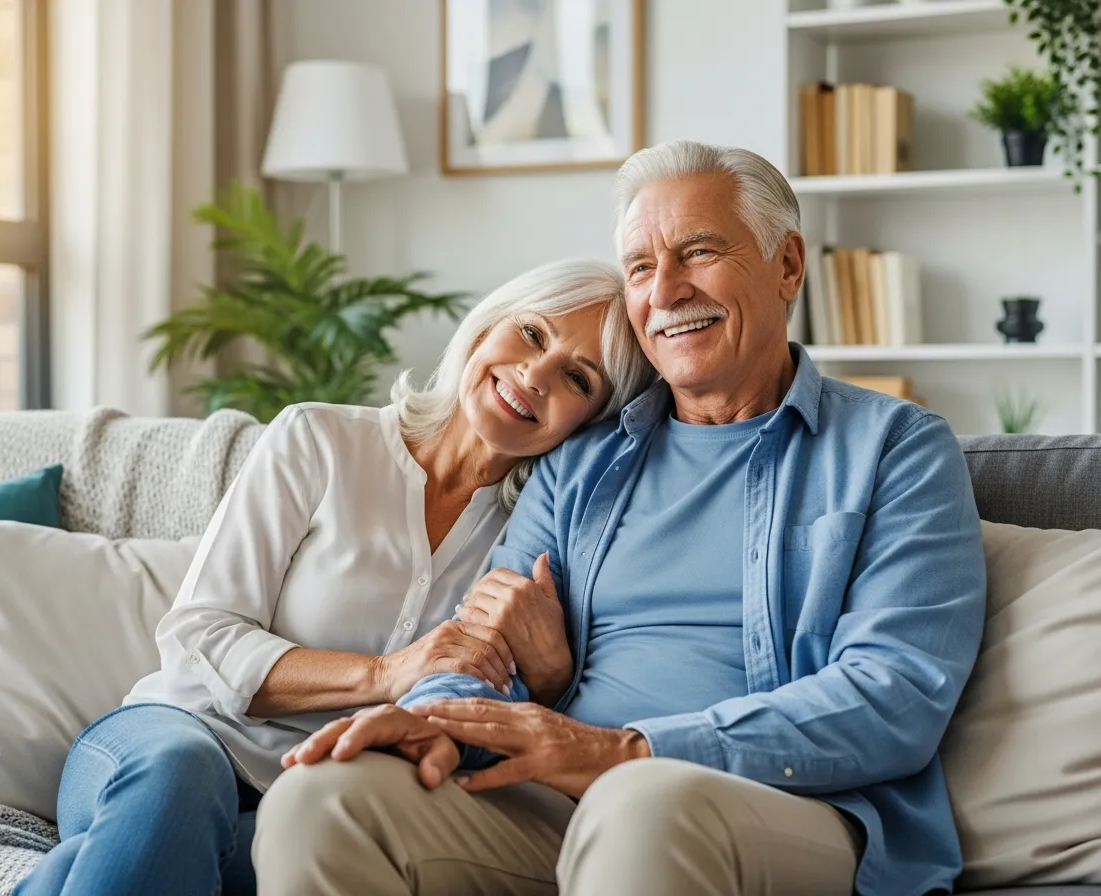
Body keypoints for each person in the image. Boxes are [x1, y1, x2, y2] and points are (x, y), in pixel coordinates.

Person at [258, 140, 988, 896]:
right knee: (322, 800)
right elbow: (482, 651)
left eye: (697, 252)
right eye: (641, 267)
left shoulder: (895, 450)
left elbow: (894, 694)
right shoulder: (580, 463)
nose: (665, 292)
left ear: (788, 267)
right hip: (559, 792)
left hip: (787, 805)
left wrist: (628, 750)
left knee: (641, 805)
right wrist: (435, 718)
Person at [12, 258, 655, 896]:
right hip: (164, 741)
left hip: (307, 794)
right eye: (533, 334)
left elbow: (491, 714)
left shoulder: (533, 543)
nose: (535, 375)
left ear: (591, 420)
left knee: (228, 863)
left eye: (577, 377)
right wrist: (382, 675)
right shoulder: (318, 439)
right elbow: (197, 638)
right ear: (486, 328)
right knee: (180, 781)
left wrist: (549, 676)